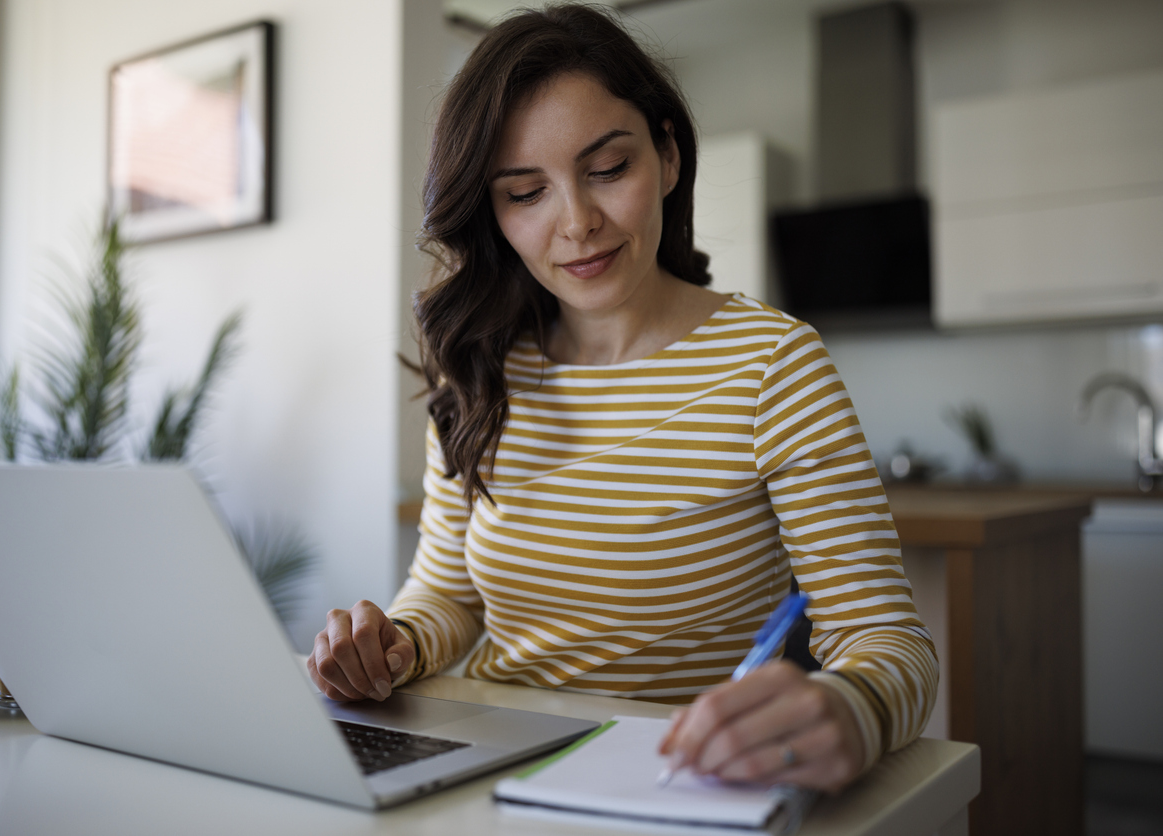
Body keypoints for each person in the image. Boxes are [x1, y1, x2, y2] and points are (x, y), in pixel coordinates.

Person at [307, 4, 936, 793]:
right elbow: (446, 596)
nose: (577, 222)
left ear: (666, 156)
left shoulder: (771, 364)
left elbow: (885, 640)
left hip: (679, 780)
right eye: (525, 192)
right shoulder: (480, 370)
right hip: (491, 764)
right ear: (491, 213)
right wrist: (392, 644)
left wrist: (849, 709)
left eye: (607, 169)